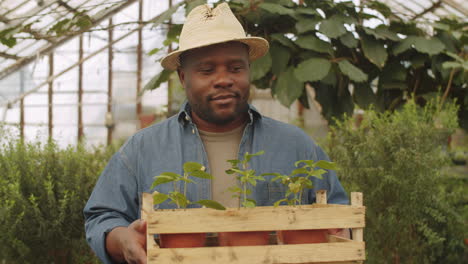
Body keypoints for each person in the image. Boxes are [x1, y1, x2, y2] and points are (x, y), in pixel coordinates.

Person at [84, 3, 348, 264]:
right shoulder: (143, 149)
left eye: (236, 68)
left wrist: (339, 232)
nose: (223, 79)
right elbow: (103, 217)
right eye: (207, 70)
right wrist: (123, 240)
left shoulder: (295, 146)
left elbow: (340, 216)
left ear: (248, 70)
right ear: (183, 77)